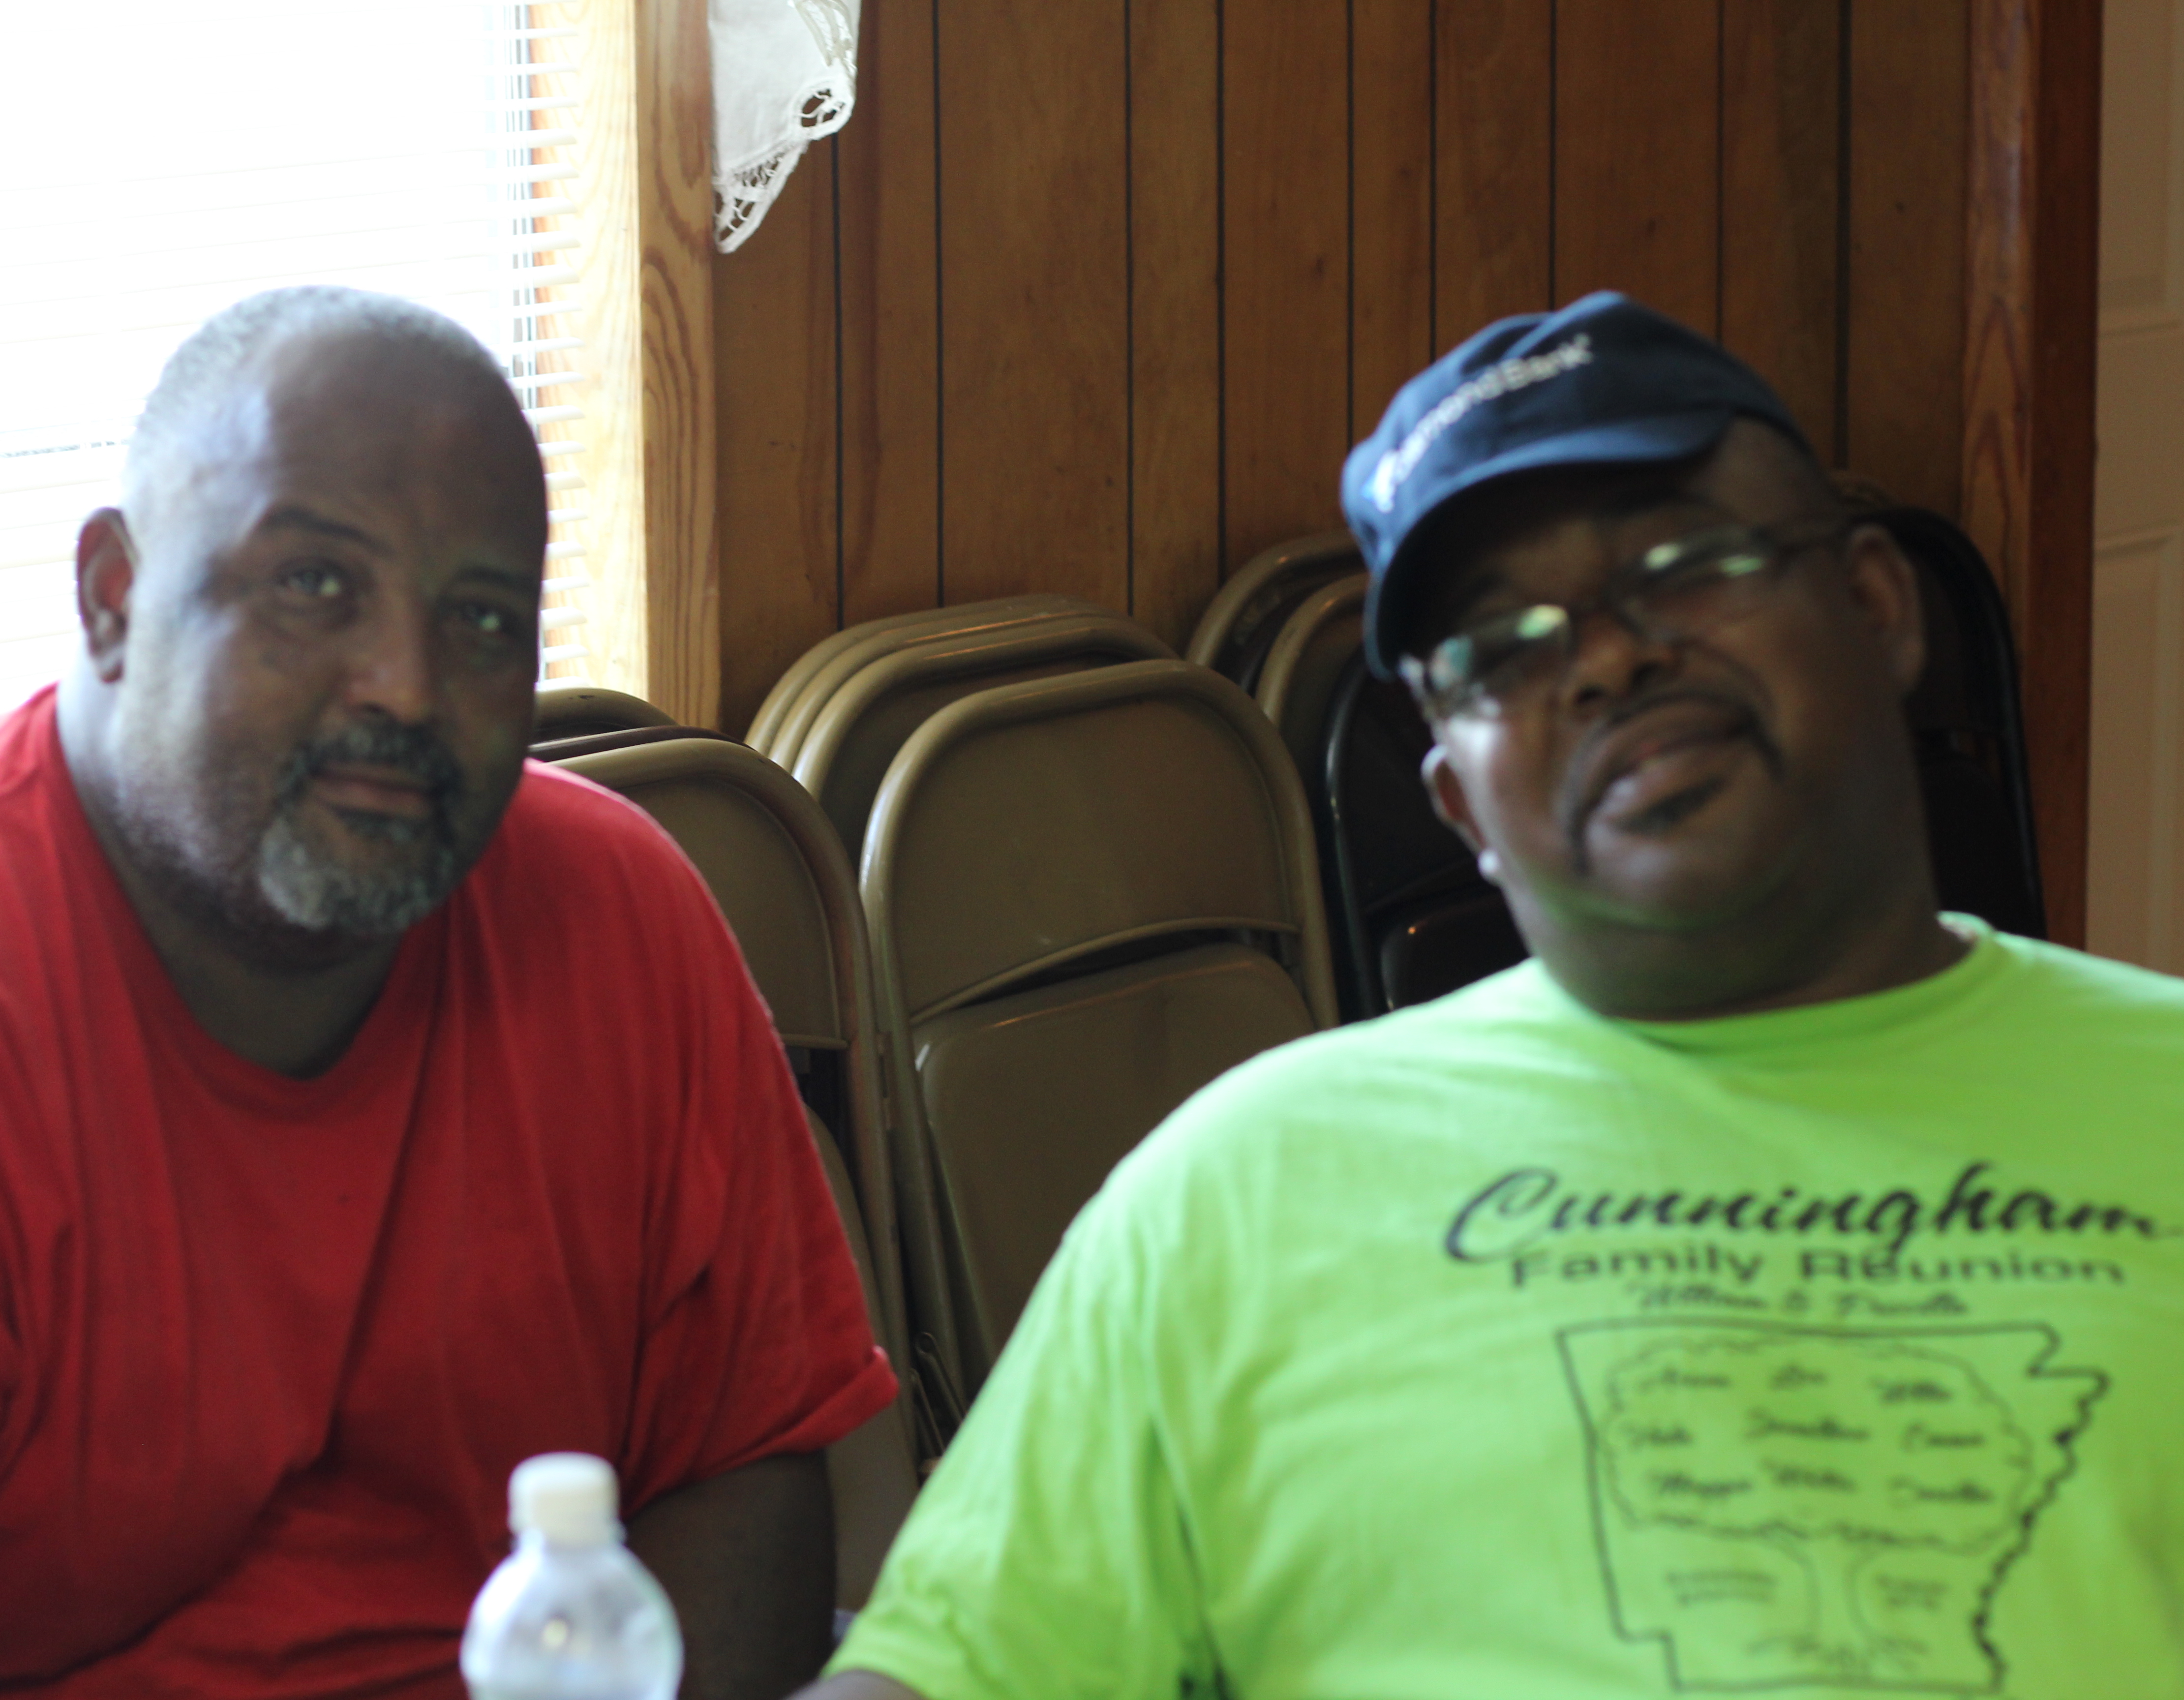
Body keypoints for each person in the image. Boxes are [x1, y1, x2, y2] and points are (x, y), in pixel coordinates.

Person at [802, 293, 2184, 1700]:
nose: (1609, 659)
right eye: (1503, 649)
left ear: (1879, 609)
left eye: (1684, 563)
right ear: (1460, 803)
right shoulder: (1244, 1191)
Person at [0, 287, 895, 1700]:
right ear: (113, 598)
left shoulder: (618, 917)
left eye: (482, 619)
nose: (407, 688)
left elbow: (744, 1469)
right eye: (313, 586)